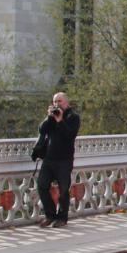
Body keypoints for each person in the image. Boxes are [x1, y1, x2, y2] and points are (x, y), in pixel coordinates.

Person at [32, 92, 81, 228]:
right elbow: (42, 130)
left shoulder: (73, 117)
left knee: (63, 190)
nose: (56, 104)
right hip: (49, 159)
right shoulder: (52, 117)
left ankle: (62, 218)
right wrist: (49, 117)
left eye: (59, 101)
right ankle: (50, 215)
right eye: (54, 102)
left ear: (66, 102)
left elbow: (70, 135)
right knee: (42, 185)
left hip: (64, 160)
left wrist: (60, 121)